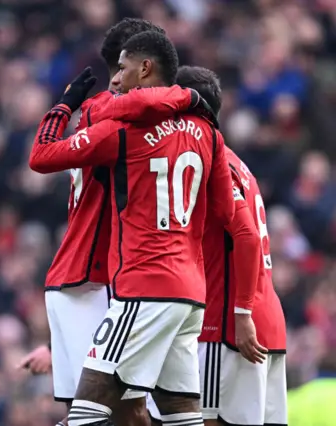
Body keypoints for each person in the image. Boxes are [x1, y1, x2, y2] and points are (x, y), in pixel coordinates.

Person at [29, 31, 236, 426]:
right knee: (182, 415)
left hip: (144, 288)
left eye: (122, 69)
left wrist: (62, 108)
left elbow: (41, 155)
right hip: (190, 295)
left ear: (145, 68)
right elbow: (223, 212)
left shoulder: (122, 129)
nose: (116, 80)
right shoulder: (209, 133)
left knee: (87, 409)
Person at [32, 18, 171, 426]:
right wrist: (194, 99)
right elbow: (40, 158)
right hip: (97, 279)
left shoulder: (95, 111)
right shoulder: (116, 113)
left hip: (81, 277)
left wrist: (62, 106)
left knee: (117, 411)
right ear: (133, 67)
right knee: (122, 412)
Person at [169, 66, 288, 426]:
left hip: (228, 327)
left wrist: (241, 313)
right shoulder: (241, 165)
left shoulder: (213, 162)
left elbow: (248, 236)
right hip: (266, 322)